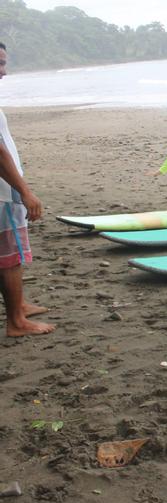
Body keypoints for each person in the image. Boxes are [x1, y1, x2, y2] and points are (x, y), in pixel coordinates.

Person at [0, 42, 55, 337]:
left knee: (9, 253)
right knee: (10, 256)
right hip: (3, 193)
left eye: (4, 63)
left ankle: (18, 306)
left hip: (5, 190)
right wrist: (24, 191)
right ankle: (16, 322)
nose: (4, 72)